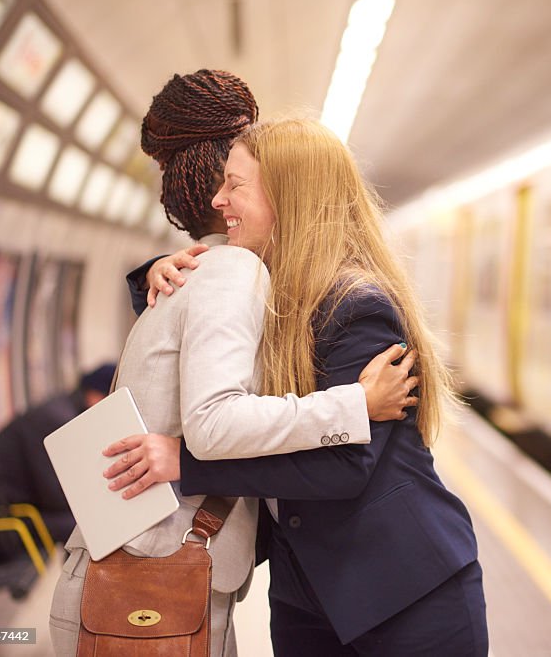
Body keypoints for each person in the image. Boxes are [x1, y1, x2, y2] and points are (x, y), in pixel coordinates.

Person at [48, 71, 418, 657]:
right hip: (155, 579)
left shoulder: (204, 274)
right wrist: (355, 403)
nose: (224, 199)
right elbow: (216, 423)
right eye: (223, 182)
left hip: (138, 568)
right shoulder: (226, 271)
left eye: (236, 186)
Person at [106, 117, 488, 656]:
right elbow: (194, 338)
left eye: (235, 185)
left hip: (403, 590)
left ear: (290, 194)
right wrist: (154, 272)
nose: (219, 200)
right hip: (306, 590)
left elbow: (345, 465)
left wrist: (185, 462)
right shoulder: (272, 285)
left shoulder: (357, 307)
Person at [0, 364, 116, 542]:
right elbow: (56, 495)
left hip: (26, 507)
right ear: (96, 395)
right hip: (13, 515)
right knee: (90, 528)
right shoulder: (58, 422)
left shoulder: (62, 411)